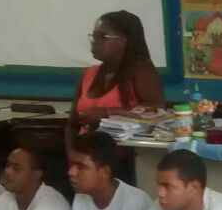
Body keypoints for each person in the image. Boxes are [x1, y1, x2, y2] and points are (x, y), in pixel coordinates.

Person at [67, 10, 165, 150]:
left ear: (123, 41)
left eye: (102, 36)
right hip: (83, 155)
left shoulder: (141, 71)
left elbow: (157, 108)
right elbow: (72, 125)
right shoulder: (88, 74)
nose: (94, 41)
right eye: (94, 36)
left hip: (121, 155)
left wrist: (108, 114)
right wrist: (72, 154)